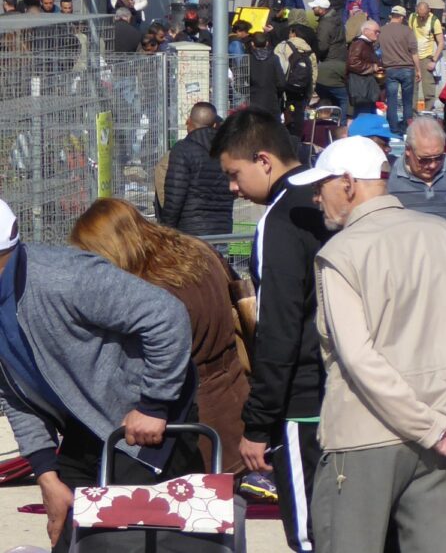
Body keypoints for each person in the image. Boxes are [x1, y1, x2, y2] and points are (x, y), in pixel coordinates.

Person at [290, 137, 446, 550]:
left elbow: (359, 360)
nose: (318, 198)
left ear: (348, 183)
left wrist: (435, 429)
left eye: (323, 186)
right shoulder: (445, 235)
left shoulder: (341, 252)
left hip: (368, 435)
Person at [0, 199, 200, 551]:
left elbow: (166, 316)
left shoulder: (63, 276)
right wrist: (45, 473)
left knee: (132, 543)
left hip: (143, 427)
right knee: (70, 537)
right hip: (86, 430)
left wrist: (153, 405)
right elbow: (15, 394)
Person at [210, 110, 330, 552]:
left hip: (301, 402)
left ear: (263, 160)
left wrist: (258, 425)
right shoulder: (333, 195)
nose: (232, 188)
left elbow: (278, 330)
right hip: (355, 391)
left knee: (309, 533)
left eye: (234, 174)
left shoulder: (279, 222)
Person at [70, 199, 249, 472]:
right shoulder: (201, 251)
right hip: (232, 398)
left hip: (188, 420)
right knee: (226, 504)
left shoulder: (151, 294)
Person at [159, 101, 236, 236]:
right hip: (222, 230)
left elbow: (175, 196)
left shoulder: (182, 149)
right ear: (214, 125)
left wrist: (166, 230)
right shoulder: (228, 151)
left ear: (189, 122)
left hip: (190, 232)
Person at [378, 6, 420, 135]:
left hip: (390, 68)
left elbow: (376, 49)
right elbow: (414, 52)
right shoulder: (407, 31)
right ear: (402, 17)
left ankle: (393, 127)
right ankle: (407, 126)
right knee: (407, 101)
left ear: (391, 15)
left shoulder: (382, 30)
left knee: (392, 100)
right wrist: (418, 70)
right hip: (407, 68)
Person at [346, 20, 383, 115]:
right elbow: (352, 63)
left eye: (379, 32)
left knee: (368, 111)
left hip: (365, 84)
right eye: (376, 31)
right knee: (362, 112)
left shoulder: (367, 44)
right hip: (360, 85)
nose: (378, 34)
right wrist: (372, 67)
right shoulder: (359, 44)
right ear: (366, 31)